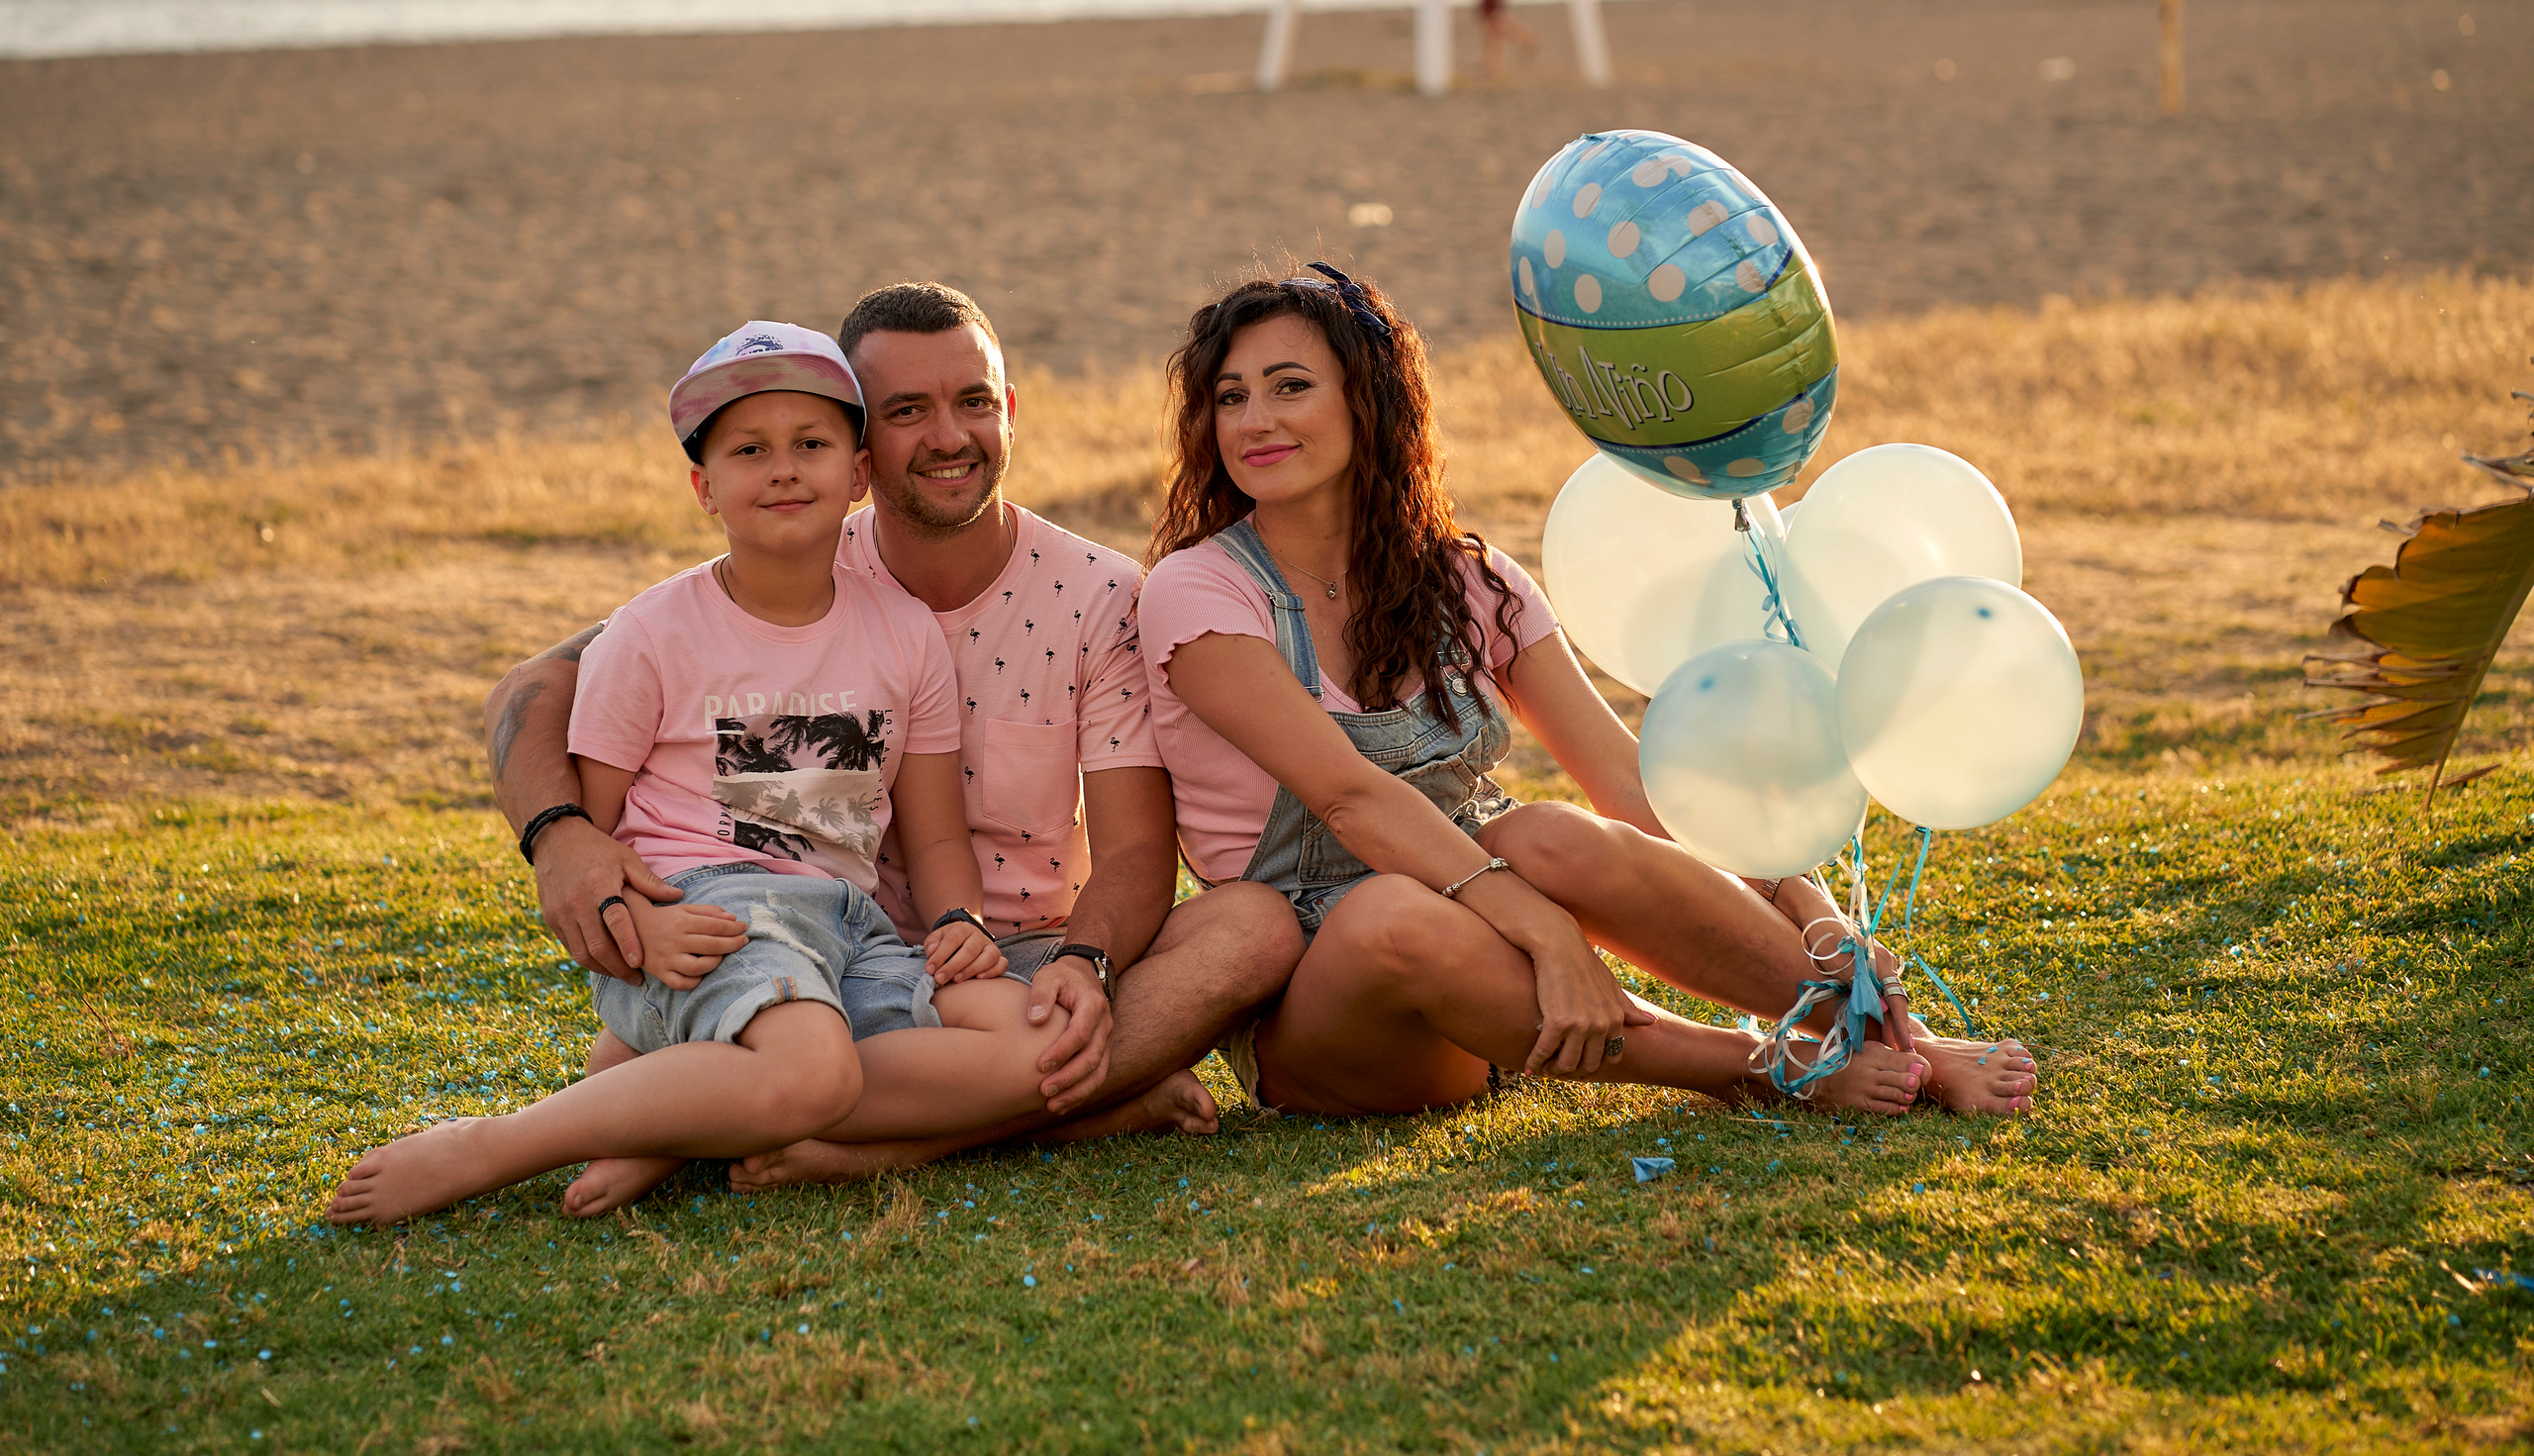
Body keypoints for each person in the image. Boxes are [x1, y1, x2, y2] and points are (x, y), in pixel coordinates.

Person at [1137, 265, 2040, 1119]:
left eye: (1290, 385)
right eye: (1231, 395)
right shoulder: (1199, 592)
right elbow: (1348, 796)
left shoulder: (1467, 581)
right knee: (1388, 912)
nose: (1255, 418)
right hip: (1333, 1011)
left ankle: (1897, 1036)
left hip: (1508, 987)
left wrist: (1813, 908)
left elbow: (1634, 785)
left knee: (1548, 830)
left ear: (1368, 401)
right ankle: (1764, 1069)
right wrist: (1545, 929)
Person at [482, 285, 1302, 1189]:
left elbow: (1139, 848)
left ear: (1011, 411)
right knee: (740, 1014)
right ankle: (1053, 1106)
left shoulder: (1102, 595)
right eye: (909, 410)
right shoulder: (796, 554)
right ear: (864, 450)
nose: (949, 436)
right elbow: (534, 686)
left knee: (1255, 927)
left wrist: (1085, 961)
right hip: (808, 944)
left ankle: (812, 1126)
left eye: (974, 401)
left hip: (1010, 959)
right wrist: (558, 838)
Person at [330, 325, 1112, 1224]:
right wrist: (639, 934)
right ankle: (492, 1145)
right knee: (813, 1068)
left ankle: (677, 1108)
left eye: (810, 444)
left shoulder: (904, 635)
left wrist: (957, 921)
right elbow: (598, 830)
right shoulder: (652, 633)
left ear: (857, 473)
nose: (783, 469)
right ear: (704, 488)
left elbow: (932, 830)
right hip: (707, 916)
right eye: (750, 450)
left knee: (1036, 1052)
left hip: (849, 926)